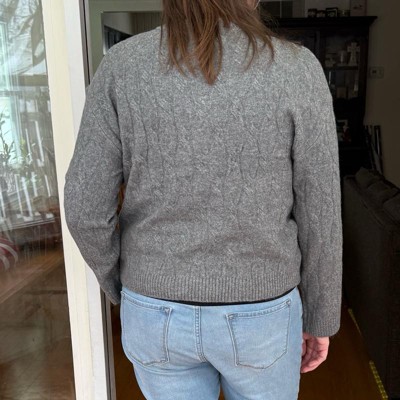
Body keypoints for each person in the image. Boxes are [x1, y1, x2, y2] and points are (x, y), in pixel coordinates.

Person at [64, 0, 343, 398]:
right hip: (261, 311)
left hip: (155, 311)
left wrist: (127, 285)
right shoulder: (296, 69)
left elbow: (84, 207)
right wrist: (321, 316)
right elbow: (321, 214)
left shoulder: (122, 66)